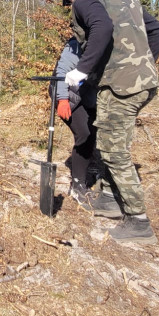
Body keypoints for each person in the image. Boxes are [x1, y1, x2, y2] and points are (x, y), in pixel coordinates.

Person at [60, 0, 159, 245]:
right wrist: (143, 65)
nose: (70, 4)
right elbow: (155, 29)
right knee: (109, 137)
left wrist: (82, 70)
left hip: (121, 85)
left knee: (113, 150)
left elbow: (101, 28)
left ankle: (138, 221)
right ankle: (108, 198)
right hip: (141, 83)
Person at [53, 36, 100, 212]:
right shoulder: (78, 45)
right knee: (84, 133)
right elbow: (62, 71)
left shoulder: (111, 45)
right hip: (66, 91)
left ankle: (86, 170)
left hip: (87, 94)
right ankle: (78, 185)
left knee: (91, 135)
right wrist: (62, 99)